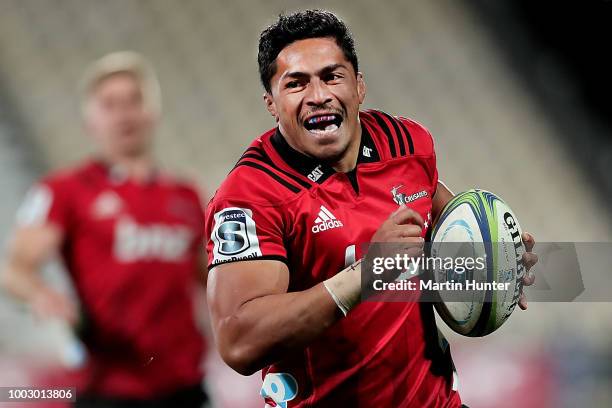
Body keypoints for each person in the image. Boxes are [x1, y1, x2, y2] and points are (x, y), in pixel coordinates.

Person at [205, 10, 538, 407]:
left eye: (332, 76)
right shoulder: (249, 195)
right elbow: (240, 342)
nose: (318, 95)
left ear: (359, 86)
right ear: (272, 103)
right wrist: (368, 272)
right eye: (296, 83)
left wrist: (494, 259)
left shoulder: (407, 145)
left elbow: (449, 233)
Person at [2, 51, 209, 407]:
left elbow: (209, 278)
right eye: (110, 104)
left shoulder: (186, 196)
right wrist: (41, 294)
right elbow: (14, 269)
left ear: (152, 111)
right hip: (109, 386)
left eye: (134, 100)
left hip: (184, 383)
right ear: (90, 120)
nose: (124, 113)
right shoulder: (66, 190)